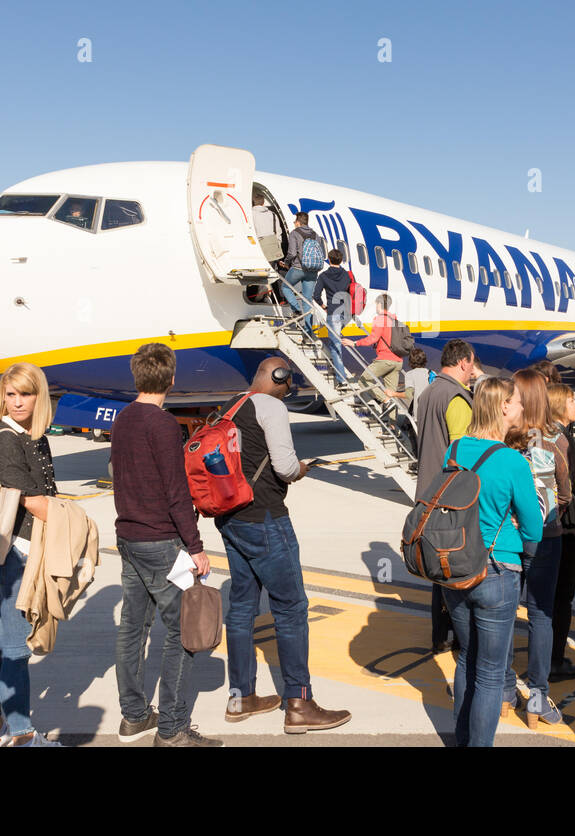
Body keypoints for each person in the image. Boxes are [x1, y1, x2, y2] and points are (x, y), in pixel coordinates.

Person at [215, 356, 351, 732]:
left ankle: (240, 697)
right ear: (280, 379)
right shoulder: (272, 407)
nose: (286, 391)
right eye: (287, 385)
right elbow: (285, 467)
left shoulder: (231, 405)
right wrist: (303, 469)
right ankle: (299, 703)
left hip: (232, 517)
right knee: (291, 608)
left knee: (241, 606)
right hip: (266, 519)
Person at [111, 344, 218, 747]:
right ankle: (172, 729)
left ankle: (135, 716)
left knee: (132, 628)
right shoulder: (163, 425)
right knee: (181, 631)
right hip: (160, 541)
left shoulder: (122, 420)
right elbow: (176, 492)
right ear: (172, 380)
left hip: (129, 536)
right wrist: (195, 546)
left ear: (136, 377)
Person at [443, 377, 543, 747]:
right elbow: (534, 526)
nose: (520, 408)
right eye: (517, 402)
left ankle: (463, 740)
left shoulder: (453, 450)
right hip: (496, 570)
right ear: (503, 407)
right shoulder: (512, 461)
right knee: (489, 673)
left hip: (454, 566)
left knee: (467, 660)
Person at [0, 362, 62, 746]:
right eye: (9, 395)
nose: (16, 402)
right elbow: (35, 500)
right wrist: (79, 526)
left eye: (24, 394)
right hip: (18, 553)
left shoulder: (34, 436)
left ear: (38, 396)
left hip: (29, 549)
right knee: (14, 647)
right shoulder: (7, 439)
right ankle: (22, 735)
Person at [504, 369, 569, 726]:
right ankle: (538, 698)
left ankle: (502, 688)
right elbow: (565, 488)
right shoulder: (554, 438)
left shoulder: (505, 439)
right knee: (541, 615)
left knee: (504, 613)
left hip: (510, 536)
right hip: (547, 533)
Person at [413, 339, 478, 653]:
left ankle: (439, 634)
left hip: (427, 490)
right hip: (450, 497)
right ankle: (456, 635)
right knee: (454, 567)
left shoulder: (428, 393)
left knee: (438, 569)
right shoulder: (456, 397)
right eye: (471, 366)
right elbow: (462, 453)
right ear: (464, 362)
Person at [547, 383, 575, 681]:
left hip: (551, 524)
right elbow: (573, 484)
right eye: (573, 400)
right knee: (562, 596)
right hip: (566, 526)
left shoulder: (550, 434)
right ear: (560, 404)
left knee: (549, 596)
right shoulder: (561, 439)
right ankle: (554, 659)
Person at [354, 294, 408, 404]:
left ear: (379, 304)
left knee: (364, 380)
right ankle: (392, 421)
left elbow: (373, 338)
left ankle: (385, 399)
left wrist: (355, 343)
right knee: (392, 394)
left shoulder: (380, 319)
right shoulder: (396, 321)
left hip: (385, 360)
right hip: (397, 361)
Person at [312, 247, 353, 383]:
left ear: (329, 260)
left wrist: (324, 306)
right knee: (334, 340)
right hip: (346, 312)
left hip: (333, 312)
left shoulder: (323, 276)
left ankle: (341, 379)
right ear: (341, 260)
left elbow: (316, 295)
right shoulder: (347, 275)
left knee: (335, 346)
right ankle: (340, 373)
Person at [281, 212, 324, 332]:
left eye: (295, 222)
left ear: (298, 222)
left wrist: (286, 262)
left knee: (285, 287)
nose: (294, 224)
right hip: (313, 270)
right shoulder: (316, 235)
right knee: (307, 299)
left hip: (298, 268)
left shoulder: (294, 233)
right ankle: (309, 330)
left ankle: (295, 310)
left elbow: (292, 253)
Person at [403, 348, 431, 412]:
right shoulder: (432, 373)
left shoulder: (410, 374)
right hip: (433, 413)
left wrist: (393, 394)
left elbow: (408, 394)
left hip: (419, 414)